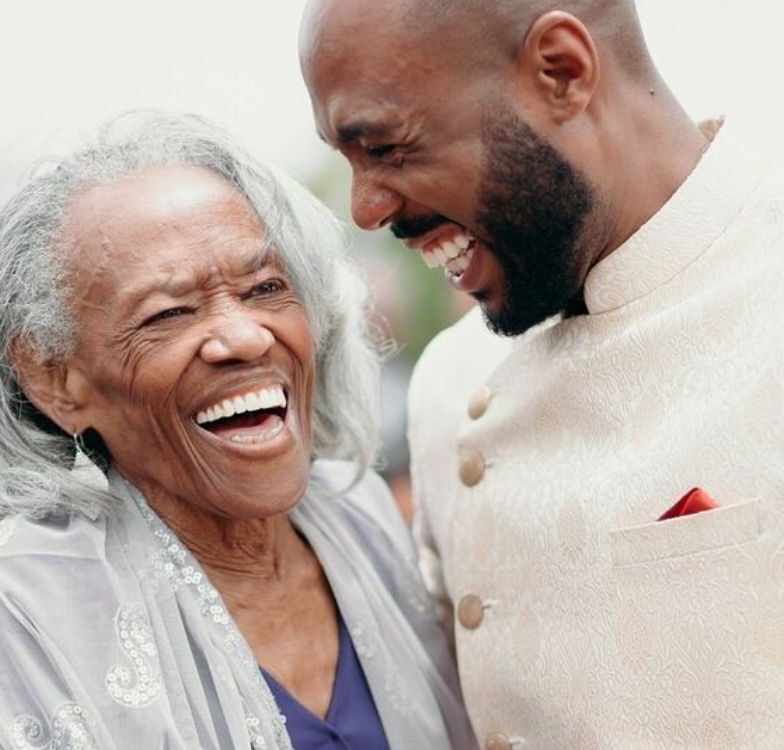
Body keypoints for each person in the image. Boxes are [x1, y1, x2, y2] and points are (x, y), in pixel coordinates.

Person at [299, 0, 784, 747]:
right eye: (348, 159)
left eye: (388, 148)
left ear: (562, 71)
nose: (365, 210)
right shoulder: (450, 383)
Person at [0, 112, 475, 750]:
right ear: (57, 380)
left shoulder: (357, 512)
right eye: (169, 313)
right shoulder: (31, 594)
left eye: (266, 287)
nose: (245, 336)